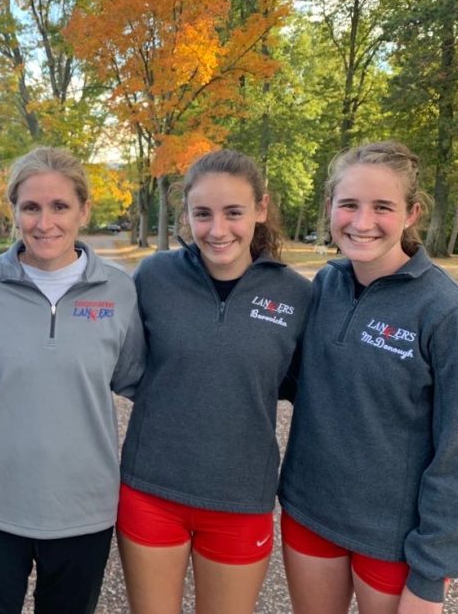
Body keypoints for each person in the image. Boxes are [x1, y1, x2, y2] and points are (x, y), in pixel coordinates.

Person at [278, 141, 458, 614]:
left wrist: (430, 574)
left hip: (392, 540)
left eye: (382, 207)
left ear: (411, 213)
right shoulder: (327, 285)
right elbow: (290, 379)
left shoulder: (451, 315)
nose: (362, 222)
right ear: (331, 208)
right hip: (309, 514)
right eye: (349, 205)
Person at [116, 149, 313, 613]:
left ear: (261, 210)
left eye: (234, 213)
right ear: (186, 213)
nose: (217, 230)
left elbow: (301, 387)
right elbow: (125, 365)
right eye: (202, 214)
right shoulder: (154, 277)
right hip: (151, 491)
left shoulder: (297, 295)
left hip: (242, 497)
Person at [0, 146, 145, 614]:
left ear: (84, 209)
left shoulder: (119, 291)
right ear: (14, 211)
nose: (45, 222)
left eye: (59, 206)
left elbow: (135, 379)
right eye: (31, 207)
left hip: (84, 506)